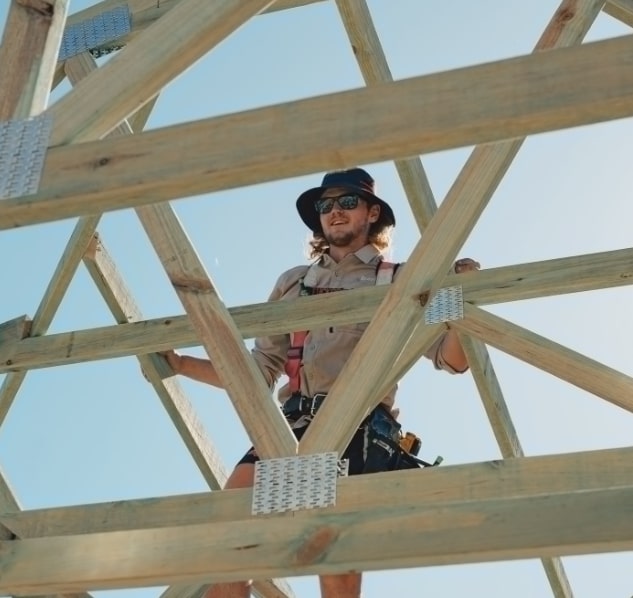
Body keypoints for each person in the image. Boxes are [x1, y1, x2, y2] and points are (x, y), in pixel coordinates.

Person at [160, 168, 479, 598]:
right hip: (288, 430)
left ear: (372, 214)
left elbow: (452, 359)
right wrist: (180, 364)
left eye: (347, 202)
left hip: (359, 429)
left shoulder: (399, 279)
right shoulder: (294, 283)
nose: (335, 212)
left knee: (333, 559)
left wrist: (465, 297)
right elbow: (256, 372)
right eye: (325, 206)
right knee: (229, 531)